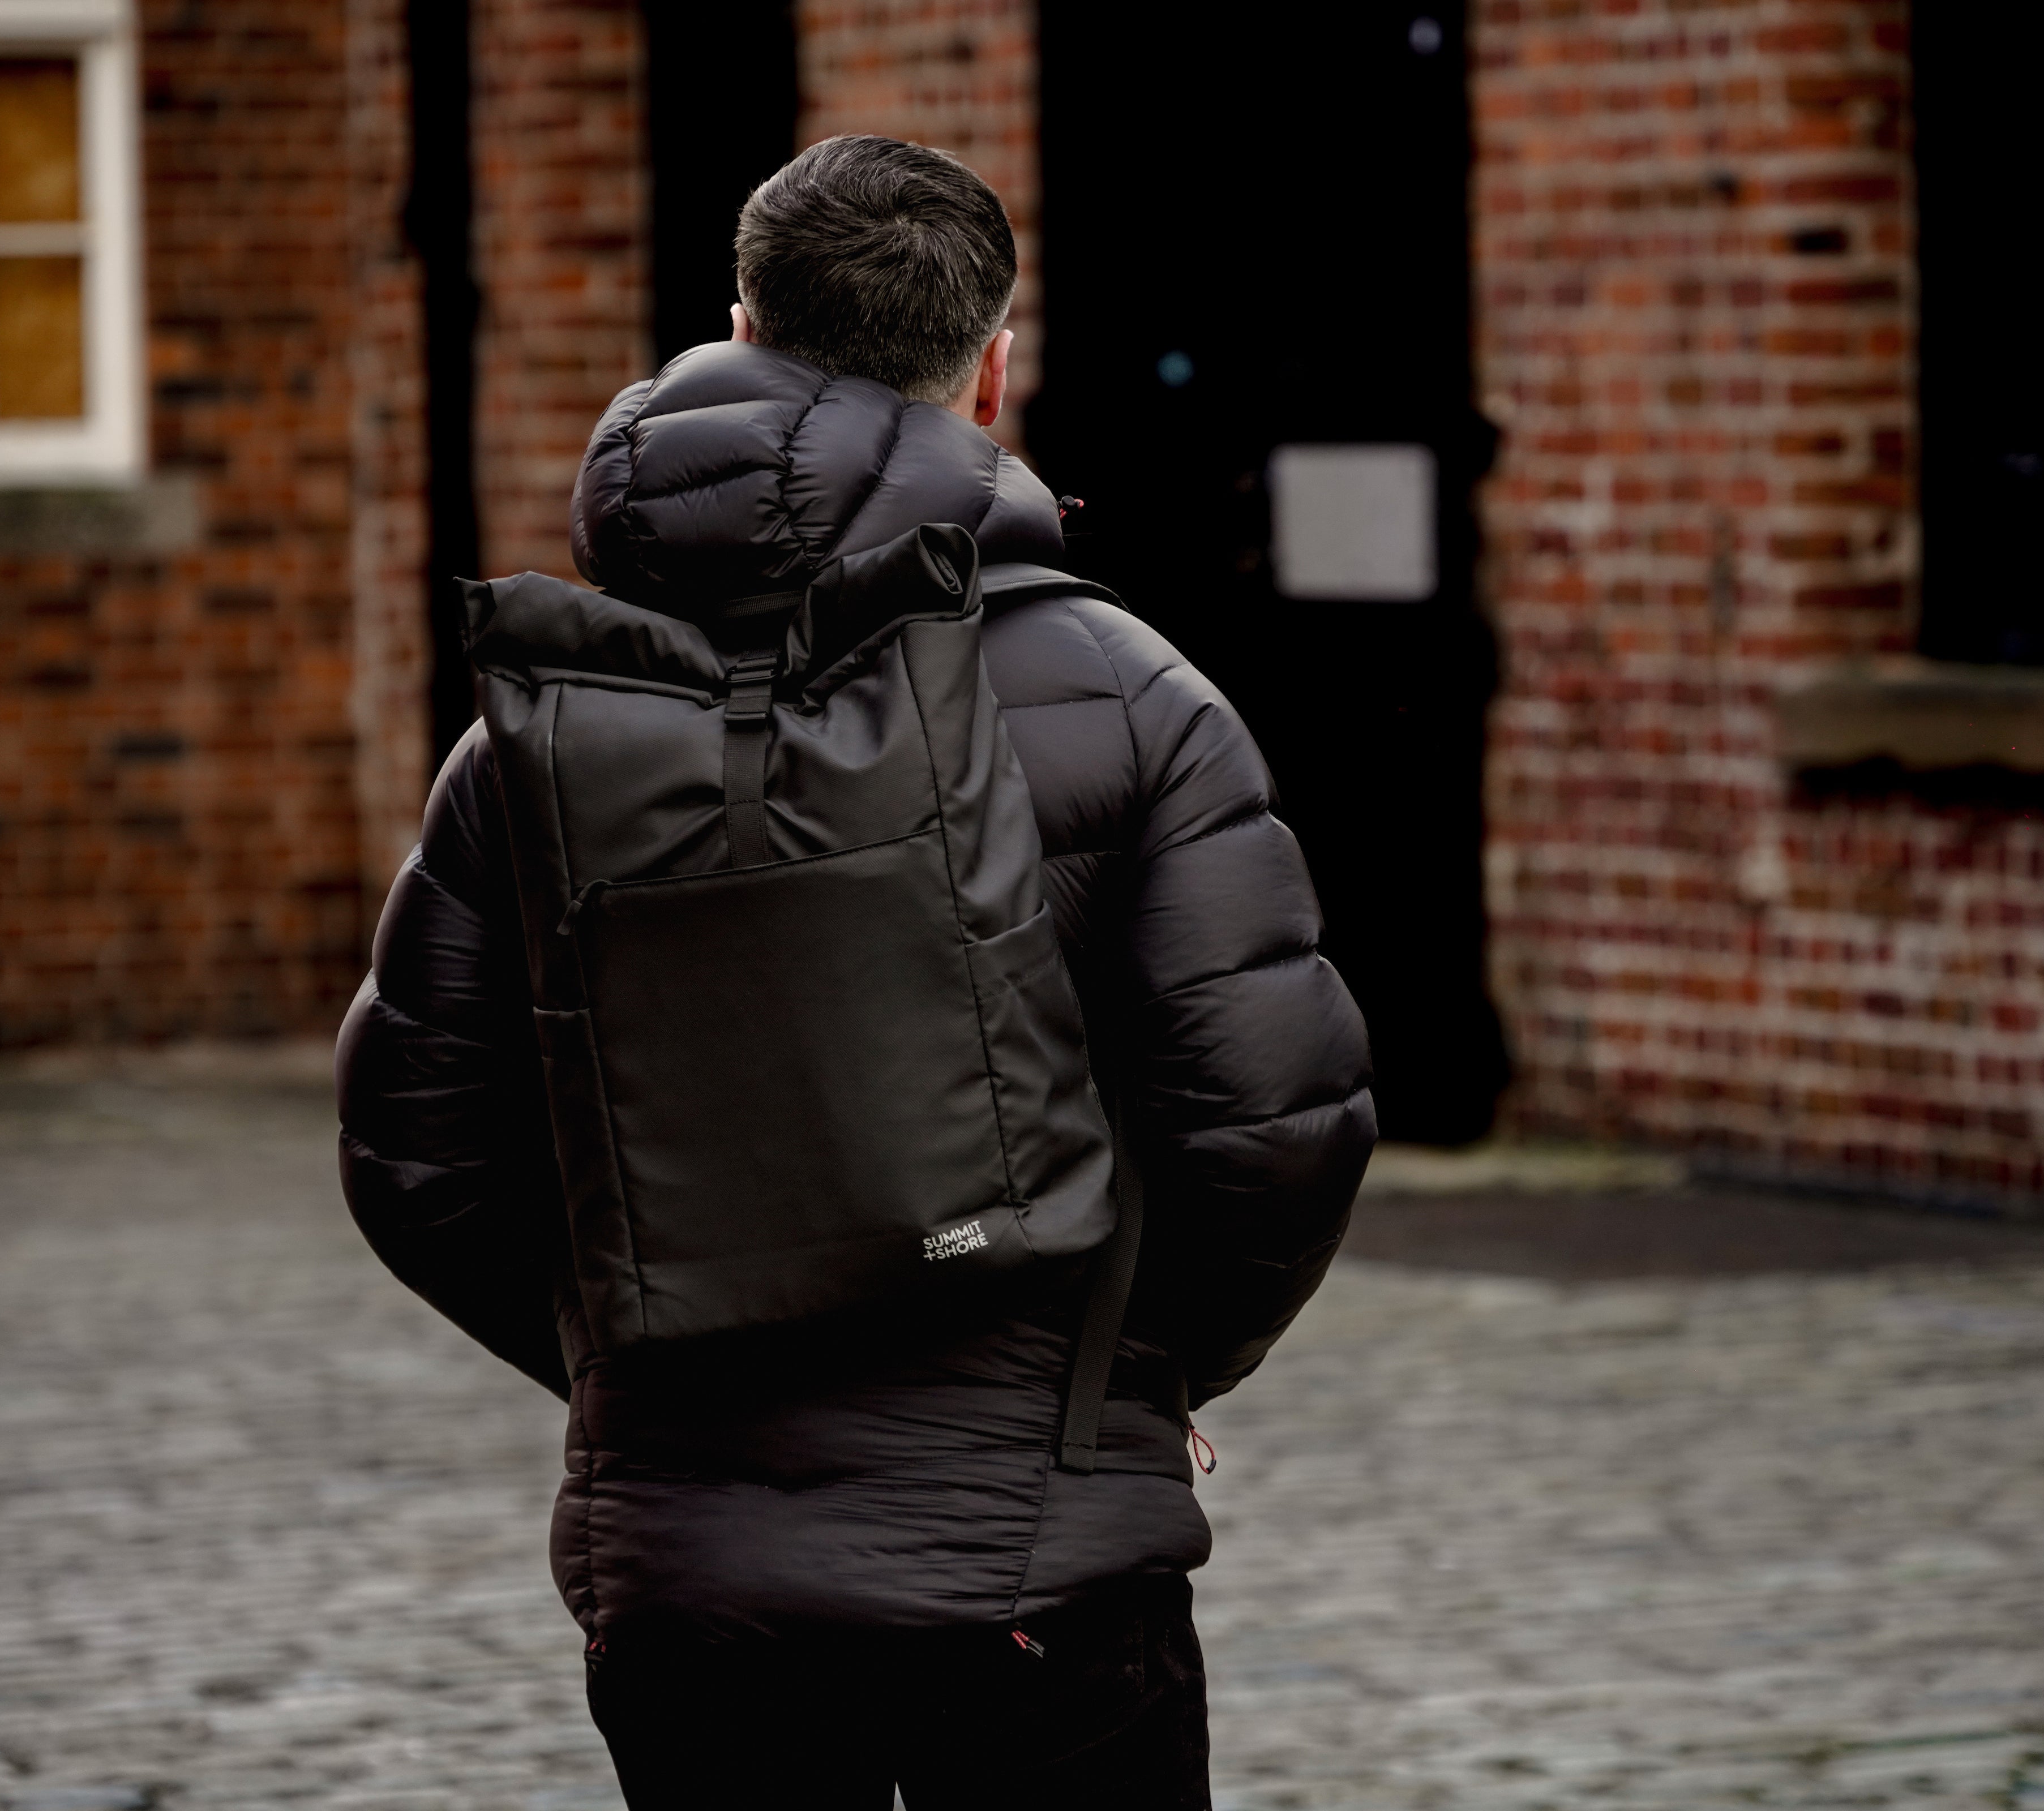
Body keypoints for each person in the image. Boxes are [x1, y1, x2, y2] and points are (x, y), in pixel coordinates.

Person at [336, 134, 1373, 1809]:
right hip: (1044, 1578)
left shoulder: (539, 732)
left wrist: (640, 1348)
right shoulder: (1132, 698)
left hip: (690, 1595)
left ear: (738, 320)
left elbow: (417, 1154)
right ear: (993, 374)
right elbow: (1273, 1127)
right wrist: (1116, 1384)